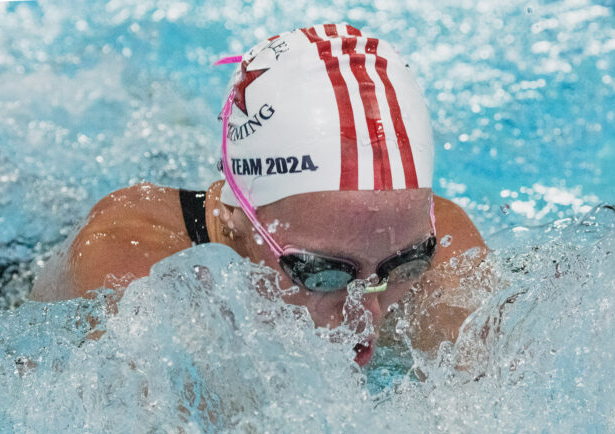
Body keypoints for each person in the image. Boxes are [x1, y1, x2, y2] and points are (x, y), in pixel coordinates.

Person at [30, 23, 488, 366]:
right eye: (323, 274)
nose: (364, 312)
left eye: (403, 265)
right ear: (237, 213)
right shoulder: (130, 274)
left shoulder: (436, 245)